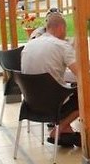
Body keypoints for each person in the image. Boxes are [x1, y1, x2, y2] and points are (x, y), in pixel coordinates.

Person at [21, 13, 81, 147]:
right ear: (61, 28)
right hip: (54, 104)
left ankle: (66, 132)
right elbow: (80, 74)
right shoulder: (62, 46)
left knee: (65, 86)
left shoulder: (29, 45)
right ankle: (58, 130)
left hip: (30, 102)